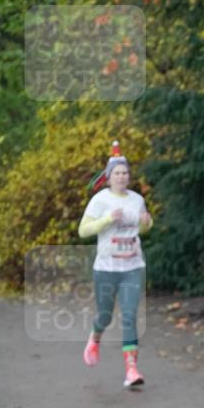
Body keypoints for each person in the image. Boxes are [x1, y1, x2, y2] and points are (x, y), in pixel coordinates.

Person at [79, 141, 152, 388]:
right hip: (106, 268)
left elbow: (144, 227)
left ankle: (131, 369)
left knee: (130, 316)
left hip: (132, 266)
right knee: (105, 315)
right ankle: (95, 337)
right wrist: (108, 219)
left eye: (125, 173)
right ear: (109, 177)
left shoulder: (136, 200)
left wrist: (146, 221)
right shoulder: (100, 201)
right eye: (117, 173)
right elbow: (83, 231)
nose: (122, 177)